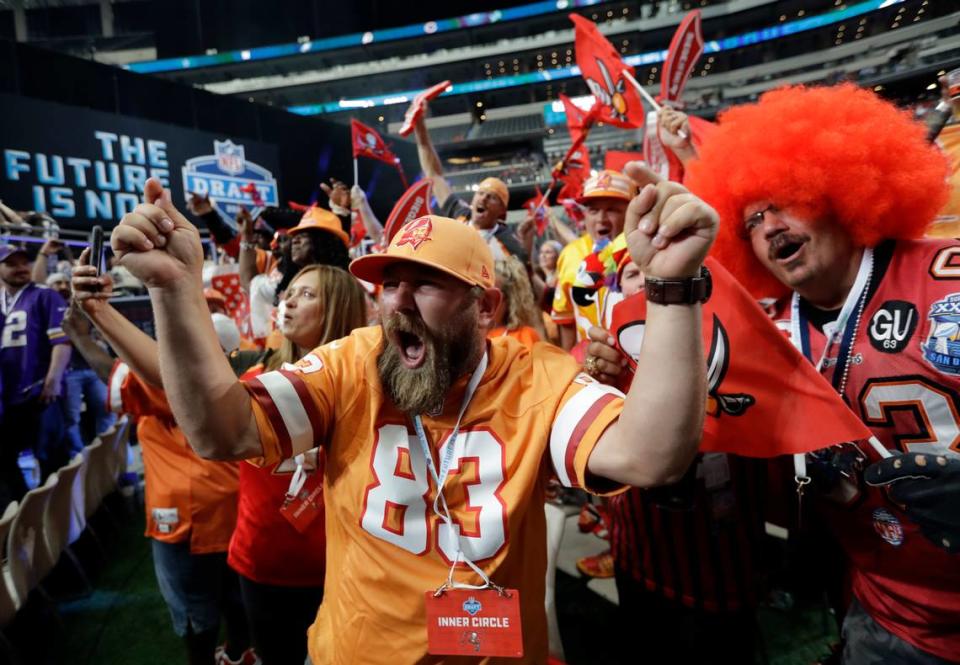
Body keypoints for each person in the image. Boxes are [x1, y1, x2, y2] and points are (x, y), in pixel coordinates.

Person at [108, 168, 716, 663]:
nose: (397, 302)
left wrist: (670, 286)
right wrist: (173, 289)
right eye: (389, 283)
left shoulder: (535, 375)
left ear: (485, 309)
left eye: (425, 284)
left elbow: (651, 455)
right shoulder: (354, 362)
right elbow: (223, 430)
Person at [685, 83, 960, 664]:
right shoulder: (759, 336)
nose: (769, 227)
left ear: (837, 189)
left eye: (784, 199)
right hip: (885, 616)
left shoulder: (949, 278)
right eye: (751, 220)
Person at [64, 262, 253, 665]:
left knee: (194, 611)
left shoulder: (182, 379)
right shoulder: (249, 367)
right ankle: (238, 655)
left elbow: (115, 376)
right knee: (236, 598)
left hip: (188, 517)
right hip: (237, 511)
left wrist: (82, 334)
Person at [412, 108, 527, 262]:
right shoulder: (462, 214)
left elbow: (523, 281)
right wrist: (419, 127)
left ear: (501, 210)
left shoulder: (509, 244)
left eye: (492, 197)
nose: (484, 198)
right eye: (480, 193)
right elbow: (435, 175)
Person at [0, 244, 70, 497]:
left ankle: (61, 524)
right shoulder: (3, 300)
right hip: (8, 395)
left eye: (24, 262)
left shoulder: (45, 295)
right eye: (12, 264)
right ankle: (23, 514)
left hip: (39, 391)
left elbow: (61, 341)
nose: (21, 268)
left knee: (51, 459)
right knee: (6, 459)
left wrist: (53, 380)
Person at [552, 169, 636, 350]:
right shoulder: (570, 254)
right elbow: (565, 319)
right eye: (593, 210)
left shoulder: (642, 253)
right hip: (589, 367)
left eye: (612, 210)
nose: (601, 219)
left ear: (631, 212)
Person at [487, 256, 545, 349]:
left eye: (492, 296)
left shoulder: (524, 337)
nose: (482, 301)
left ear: (511, 299)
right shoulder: (471, 334)